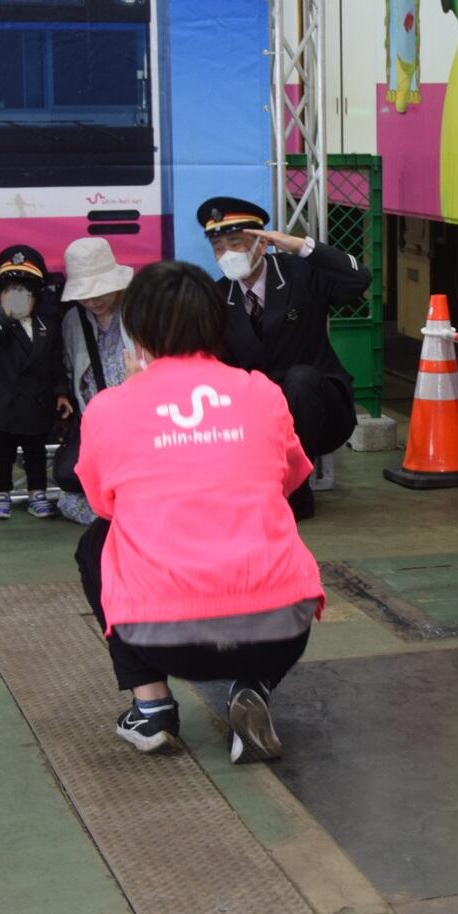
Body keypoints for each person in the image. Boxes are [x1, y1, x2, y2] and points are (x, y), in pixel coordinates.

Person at [73, 260, 324, 764]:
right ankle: (251, 685)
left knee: (96, 543)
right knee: (272, 525)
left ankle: (151, 708)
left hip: (161, 636)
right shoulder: (261, 392)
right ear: (216, 323)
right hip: (279, 629)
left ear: (136, 328)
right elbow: (294, 478)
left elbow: (103, 504)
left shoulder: (109, 407)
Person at [198, 196, 371, 519]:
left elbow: (358, 280)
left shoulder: (298, 272)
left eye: (236, 243)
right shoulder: (217, 297)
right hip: (258, 420)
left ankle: (295, 489)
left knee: (300, 378)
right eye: (219, 248)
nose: (227, 255)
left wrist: (300, 246)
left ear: (262, 244)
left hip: (318, 409)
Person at [0, 244, 62, 520]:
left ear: (36, 298)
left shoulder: (47, 326)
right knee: (2, 453)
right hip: (3, 404)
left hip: (36, 402)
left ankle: (38, 493)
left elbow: (55, 362)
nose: (19, 300)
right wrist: (4, 313)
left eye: (25, 294)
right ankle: (2, 494)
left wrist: (61, 392)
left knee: (35, 453)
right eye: (11, 293)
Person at [54, 237, 135, 526]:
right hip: (97, 419)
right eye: (84, 294)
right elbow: (69, 366)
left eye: (98, 292)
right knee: (66, 478)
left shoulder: (140, 311)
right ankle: (122, 515)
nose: (92, 300)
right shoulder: (73, 321)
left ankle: (130, 512)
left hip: (141, 417)